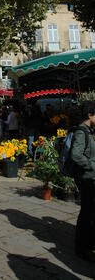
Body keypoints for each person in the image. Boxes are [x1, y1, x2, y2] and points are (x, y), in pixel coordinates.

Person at [71, 103, 95, 263]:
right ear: (90, 114)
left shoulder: (89, 131)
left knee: (90, 212)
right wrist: (92, 165)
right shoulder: (81, 132)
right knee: (87, 213)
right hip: (87, 179)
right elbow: (75, 155)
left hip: (90, 177)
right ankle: (82, 247)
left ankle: (87, 243)